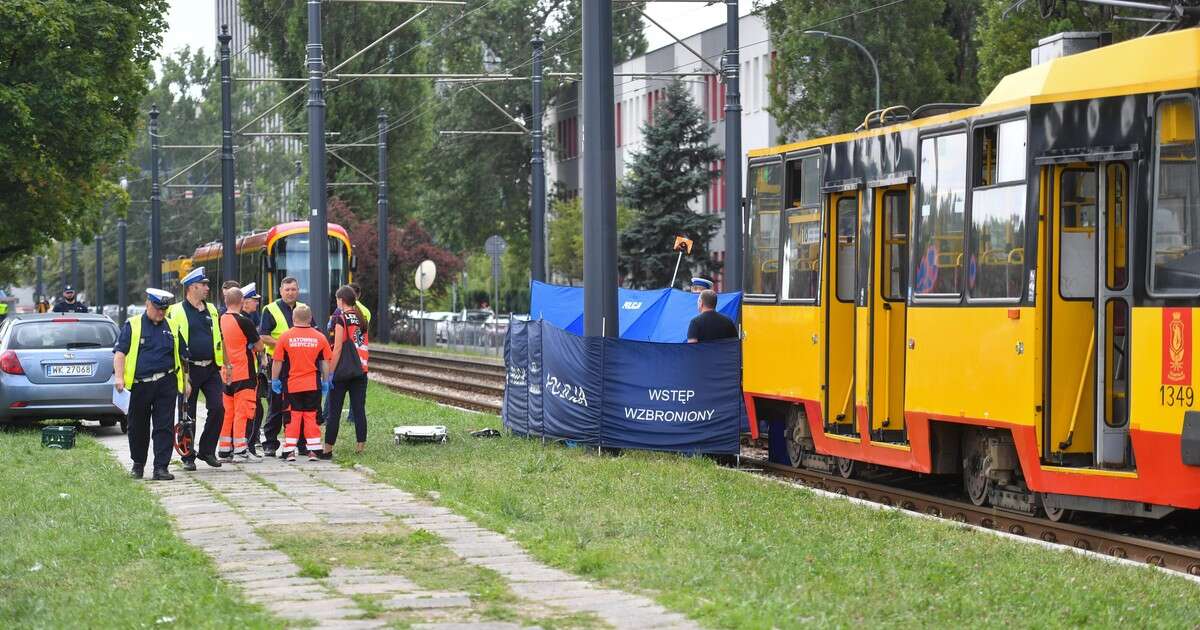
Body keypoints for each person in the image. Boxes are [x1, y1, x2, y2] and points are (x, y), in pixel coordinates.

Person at [113, 288, 190, 481]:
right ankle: (138, 464)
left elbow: (183, 357)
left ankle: (161, 467)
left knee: (163, 426)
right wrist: (119, 378)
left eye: (164, 309)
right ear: (147, 305)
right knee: (137, 426)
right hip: (140, 385)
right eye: (157, 309)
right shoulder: (133, 325)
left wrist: (186, 382)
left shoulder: (172, 326)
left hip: (166, 382)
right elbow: (120, 353)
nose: (161, 313)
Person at [165, 267, 225, 470]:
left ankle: (207, 450)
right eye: (204, 284)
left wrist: (225, 363)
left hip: (210, 368)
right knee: (186, 413)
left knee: (218, 408)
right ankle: (188, 455)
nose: (208, 288)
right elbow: (173, 344)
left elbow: (219, 337)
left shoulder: (212, 309)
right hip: (188, 369)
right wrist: (182, 376)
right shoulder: (176, 311)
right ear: (192, 287)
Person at [271, 304, 331, 461]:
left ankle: (289, 451)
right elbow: (325, 362)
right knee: (311, 416)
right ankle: (314, 450)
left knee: (293, 417)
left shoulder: (285, 337)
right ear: (310, 318)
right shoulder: (320, 337)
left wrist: (275, 380)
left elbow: (277, 362)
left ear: (293, 318)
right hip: (313, 384)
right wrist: (325, 381)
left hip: (292, 385)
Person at [259, 276, 306, 458]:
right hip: (278, 362)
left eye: (293, 289)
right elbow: (263, 335)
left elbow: (313, 329)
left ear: (298, 291)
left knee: (299, 403)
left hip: (299, 363)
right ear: (280, 291)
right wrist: (285, 343)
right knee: (276, 403)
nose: (290, 293)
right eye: (287, 290)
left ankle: (301, 443)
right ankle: (270, 443)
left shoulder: (303, 309)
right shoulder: (270, 309)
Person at [219, 287, 263, 462]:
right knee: (242, 412)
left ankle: (224, 449)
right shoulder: (244, 322)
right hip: (244, 371)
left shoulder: (222, 319)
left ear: (226, 302)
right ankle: (240, 450)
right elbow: (259, 346)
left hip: (227, 372)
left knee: (228, 412)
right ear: (242, 301)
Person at [325, 285, 369, 457]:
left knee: (334, 410)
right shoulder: (361, 317)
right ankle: (360, 447)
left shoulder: (340, 318)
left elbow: (337, 349)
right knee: (359, 409)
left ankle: (327, 449)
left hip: (343, 370)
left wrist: (330, 372)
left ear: (341, 301)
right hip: (361, 369)